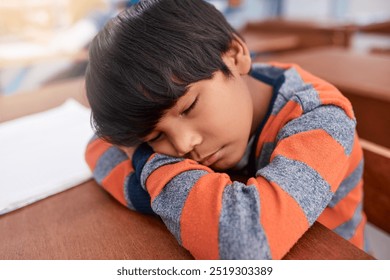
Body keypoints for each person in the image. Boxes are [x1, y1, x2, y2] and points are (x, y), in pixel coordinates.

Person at [84, 0, 366, 259]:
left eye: (188, 108)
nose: (183, 145)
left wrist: (145, 161)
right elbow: (98, 145)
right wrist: (190, 206)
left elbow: (245, 244)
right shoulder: (211, 85)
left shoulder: (321, 117)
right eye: (154, 137)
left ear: (234, 56)